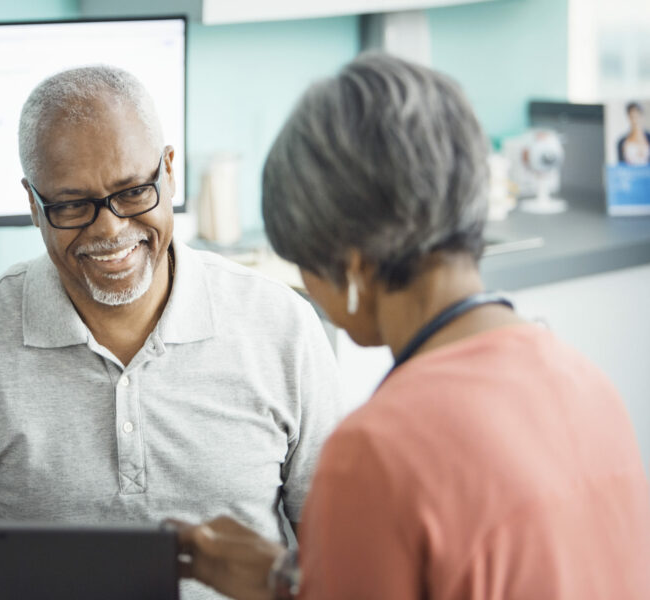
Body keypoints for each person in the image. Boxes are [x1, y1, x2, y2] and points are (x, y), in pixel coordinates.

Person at [174, 53, 650, 600]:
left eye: (301, 263)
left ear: (352, 264)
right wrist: (291, 581)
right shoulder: (589, 386)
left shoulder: (374, 456)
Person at [0, 66, 346, 600]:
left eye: (133, 191)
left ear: (168, 171)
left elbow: (347, 575)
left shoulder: (283, 328)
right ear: (33, 204)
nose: (109, 228)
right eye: (72, 205)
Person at [617, 102, 650, 166]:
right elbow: (621, 166)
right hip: (629, 175)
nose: (635, 120)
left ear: (642, 116)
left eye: (637, 116)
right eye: (632, 116)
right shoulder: (621, 141)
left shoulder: (649, 137)